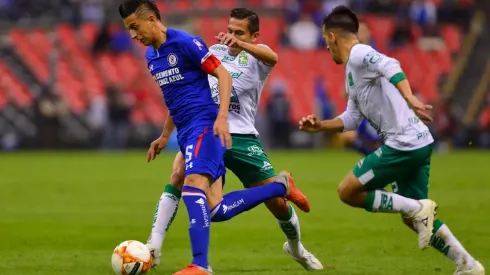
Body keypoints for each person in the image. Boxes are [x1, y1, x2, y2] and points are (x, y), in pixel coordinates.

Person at [119, 1, 310, 274]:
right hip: (188, 130)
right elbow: (176, 97)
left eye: (134, 27)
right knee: (215, 209)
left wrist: (220, 117)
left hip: (211, 127)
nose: (133, 35)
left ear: (151, 19)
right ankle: (280, 187)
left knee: (190, 183)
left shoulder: (188, 43)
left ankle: (198, 263)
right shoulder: (154, 57)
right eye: (129, 30)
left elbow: (227, 73)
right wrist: (164, 135)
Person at [298, 6, 484, 275]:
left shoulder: (360, 53)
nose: (326, 47)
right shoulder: (352, 71)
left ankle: (416, 207)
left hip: (402, 144)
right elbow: (351, 118)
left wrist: (409, 98)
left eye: (326, 41)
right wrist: (321, 126)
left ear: (333, 37)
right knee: (415, 221)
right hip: (418, 142)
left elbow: (391, 65)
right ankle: (467, 263)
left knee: (347, 191)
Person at [340, 20, 381, 156]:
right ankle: (375, 159)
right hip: (360, 110)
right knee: (347, 137)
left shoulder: (375, 56)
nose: (360, 35)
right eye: (358, 32)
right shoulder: (351, 58)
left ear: (369, 33)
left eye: (363, 31)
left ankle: (380, 160)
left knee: (378, 142)